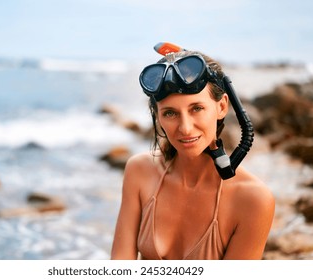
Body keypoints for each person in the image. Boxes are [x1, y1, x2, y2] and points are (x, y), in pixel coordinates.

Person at [111, 45, 275, 260]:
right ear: (157, 116)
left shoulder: (253, 199)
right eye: (170, 113)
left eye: (196, 108)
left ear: (222, 106)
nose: (185, 128)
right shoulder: (139, 171)